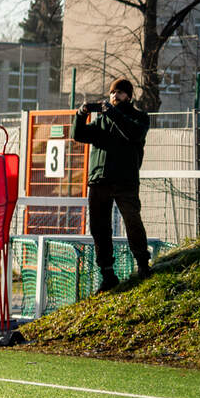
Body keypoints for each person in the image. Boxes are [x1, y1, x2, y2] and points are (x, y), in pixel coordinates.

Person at [72, 77, 152, 293]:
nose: (114, 96)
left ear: (129, 96)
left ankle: (143, 264)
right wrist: (81, 114)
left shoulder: (139, 118)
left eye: (119, 92)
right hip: (99, 181)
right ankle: (107, 274)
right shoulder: (101, 121)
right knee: (99, 228)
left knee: (132, 221)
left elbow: (133, 133)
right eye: (112, 93)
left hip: (126, 181)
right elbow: (78, 135)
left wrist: (113, 113)